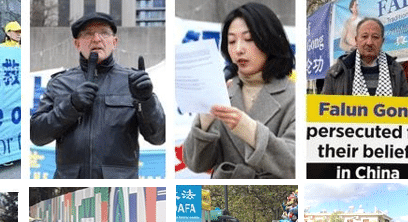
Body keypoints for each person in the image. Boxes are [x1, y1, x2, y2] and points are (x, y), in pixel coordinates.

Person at [31, 12, 165, 179]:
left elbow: (158, 137)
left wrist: (146, 100)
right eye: (88, 34)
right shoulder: (60, 83)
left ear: (114, 42)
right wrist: (71, 105)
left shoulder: (132, 81)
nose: (96, 39)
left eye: (104, 33)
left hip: (118, 186)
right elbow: (36, 135)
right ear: (77, 44)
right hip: (70, 184)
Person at [183, 2, 295, 179]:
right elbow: (195, 164)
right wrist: (204, 122)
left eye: (249, 39)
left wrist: (250, 130)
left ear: (270, 40)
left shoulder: (293, 97)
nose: (238, 49)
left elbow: (295, 165)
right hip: (226, 193)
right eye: (232, 41)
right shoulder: (223, 92)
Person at [322, 17, 408, 96]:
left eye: (375, 37)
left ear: (382, 41)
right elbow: (324, 109)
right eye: (364, 36)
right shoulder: (336, 72)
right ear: (356, 40)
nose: (369, 42)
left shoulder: (396, 70)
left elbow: (407, 107)